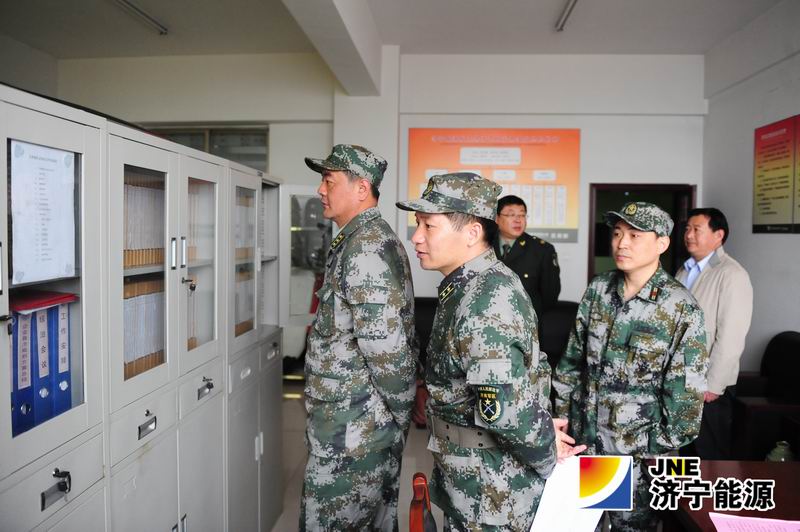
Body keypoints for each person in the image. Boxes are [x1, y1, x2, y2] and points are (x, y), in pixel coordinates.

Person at [397, 172, 584, 531]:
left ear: (472, 233)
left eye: (429, 226)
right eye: (418, 224)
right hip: (472, 478)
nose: (417, 237)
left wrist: (547, 449)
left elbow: (504, 410)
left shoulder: (486, 299)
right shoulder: (466, 286)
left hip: (491, 493)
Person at [553, 201, 708, 531]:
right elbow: (571, 363)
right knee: (586, 525)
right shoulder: (599, 289)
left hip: (640, 456)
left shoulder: (680, 307)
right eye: (617, 233)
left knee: (633, 528)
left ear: (662, 244)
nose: (622, 243)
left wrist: (653, 450)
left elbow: (687, 397)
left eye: (635, 235)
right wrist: (562, 422)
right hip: (588, 445)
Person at [300, 144, 417, 531]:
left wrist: (395, 419)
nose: (320, 190)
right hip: (352, 425)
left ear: (361, 188)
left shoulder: (365, 249)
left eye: (329, 181)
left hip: (354, 433)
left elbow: (387, 351)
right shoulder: (358, 241)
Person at [677, 207, 752, 459]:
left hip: (709, 384)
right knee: (684, 448)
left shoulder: (731, 274)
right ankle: (685, 487)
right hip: (681, 378)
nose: (689, 235)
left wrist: (714, 384)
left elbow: (731, 336)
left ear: (718, 235)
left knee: (709, 451)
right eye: (687, 229)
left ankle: (710, 489)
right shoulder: (684, 270)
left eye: (697, 229)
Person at [493, 195, 561, 321]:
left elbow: (550, 295)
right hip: (487, 320)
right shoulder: (482, 245)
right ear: (497, 218)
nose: (518, 220)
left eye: (522, 215)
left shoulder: (542, 250)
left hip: (525, 322)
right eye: (511, 215)